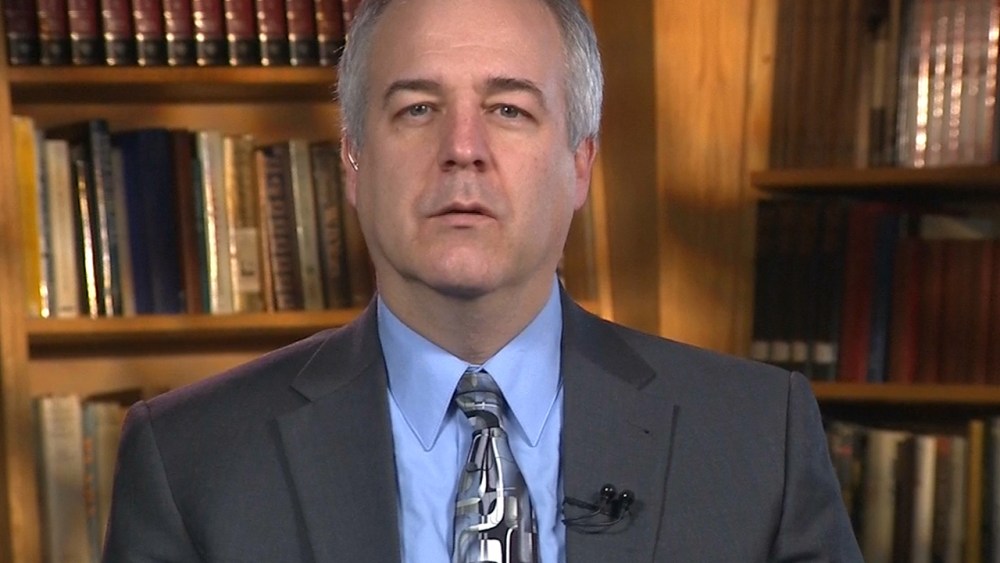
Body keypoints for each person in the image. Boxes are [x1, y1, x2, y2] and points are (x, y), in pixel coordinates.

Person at [103, 0, 863, 561]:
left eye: (508, 108)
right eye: (417, 108)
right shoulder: (189, 458)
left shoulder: (757, 437)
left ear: (580, 165)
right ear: (353, 163)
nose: (462, 147)